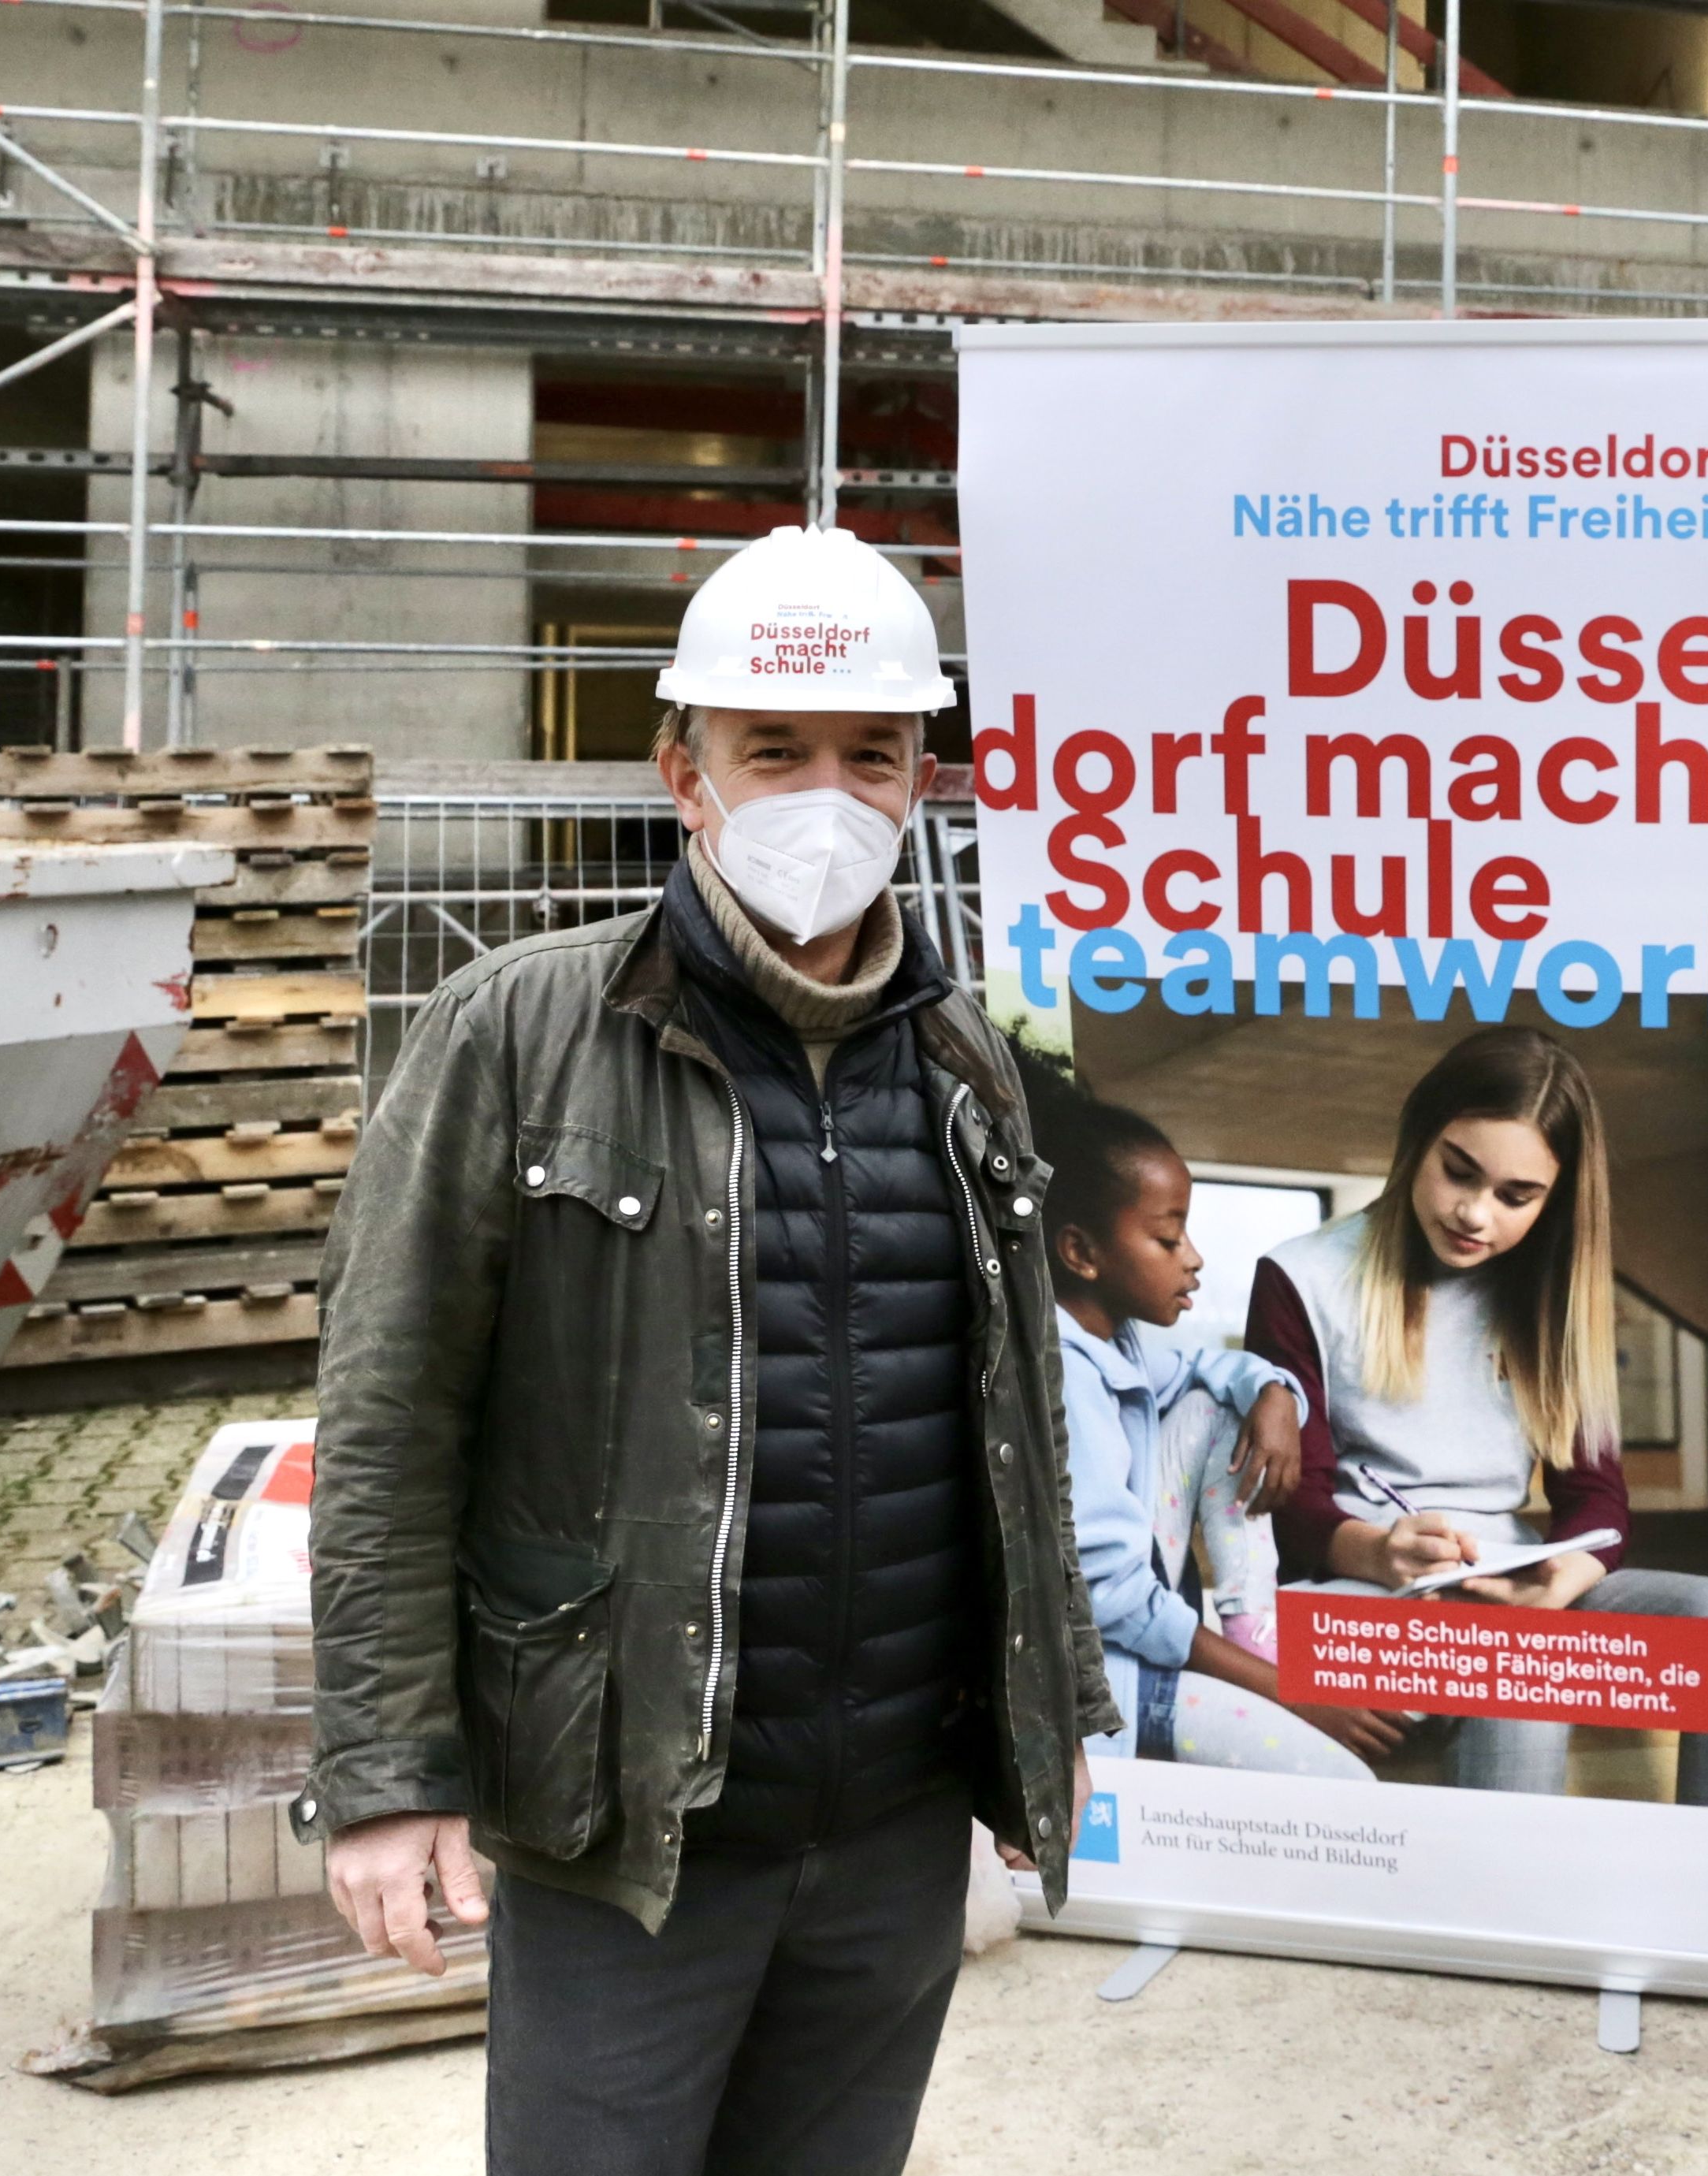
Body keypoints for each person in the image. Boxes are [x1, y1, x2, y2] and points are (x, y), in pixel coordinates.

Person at [297, 524, 1115, 2176]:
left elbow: (1019, 1430)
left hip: (887, 1821)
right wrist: (388, 1776)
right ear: (685, 771)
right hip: (632, 1829)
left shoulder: (970, 1072)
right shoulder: (519, 1033)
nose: (825, 794)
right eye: (775, 751)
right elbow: (388, 1425)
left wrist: (1049, 1724)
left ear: (920, 780)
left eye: (867, 754)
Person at [1245, 1024, 1708, 1807]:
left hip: (1508, 1582)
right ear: (1417, 1139)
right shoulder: (1300, 1276)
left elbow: (1598, 1505)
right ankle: (1505, 1910)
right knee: (1518, 1666)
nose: (1475, 1213)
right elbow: (1289, 1510)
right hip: (1355, 1589)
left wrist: (1555, 1581)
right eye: (1458, 1172)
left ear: (1557, 1196)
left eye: (1516, 1196)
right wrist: (1381, 1550)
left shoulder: (1558, 1296)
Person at [1021, 1060, 1393, 1783]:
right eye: (1167, 1239)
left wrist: (1276, 1393)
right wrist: (1288, 1693)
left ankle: (1254, 1630)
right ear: (1080, 1253)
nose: (1193, 1260)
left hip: (1153, 1642)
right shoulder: (1062, 1374)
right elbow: (1114, 1603)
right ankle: (1256, 1658)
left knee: (1223, 1399)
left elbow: (1212, 1370)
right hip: (1117, 1684)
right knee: (1347, 1787)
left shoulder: (1114, 1339)